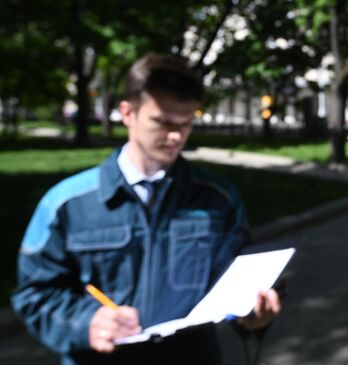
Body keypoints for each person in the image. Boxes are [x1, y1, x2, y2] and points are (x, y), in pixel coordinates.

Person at [11, 53, 281, 365]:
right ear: (127, 113)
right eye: (163, 122)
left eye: (186, 122)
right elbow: (35, 294)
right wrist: (87, 323)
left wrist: (252, 314)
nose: (176, 136)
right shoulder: (67, 204)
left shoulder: (217, 199)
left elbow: (233, 282)